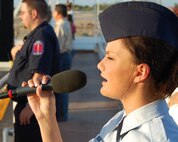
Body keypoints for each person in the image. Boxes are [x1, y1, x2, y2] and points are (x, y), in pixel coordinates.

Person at [25, 1, 178, 142]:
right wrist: (46, 118)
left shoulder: (150, 137)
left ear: (140, 72)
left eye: (110, 58)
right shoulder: (121, 119)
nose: (100, 65)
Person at [7, 0, 60, 142]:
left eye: (22, 13)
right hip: (30, 104)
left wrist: (29, 108)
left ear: (34, 13)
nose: (20, 16)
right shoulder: (39, 34)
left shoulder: (41, 37)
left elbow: (40, 74)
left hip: (31, 109)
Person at [52, 4, 73, 121]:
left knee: (61, 87)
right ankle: (63, 114)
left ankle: (61, 115)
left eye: (54, 12)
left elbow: (57, 47)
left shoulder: (60, 26)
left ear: (58, 13)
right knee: (65, 88)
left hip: (62, 57)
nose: (53, 14)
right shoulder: (67, 23)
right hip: (67, 55)